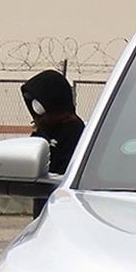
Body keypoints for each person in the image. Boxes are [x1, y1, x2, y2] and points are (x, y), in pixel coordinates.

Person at [20, 69, 84, 217]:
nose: (36, 107)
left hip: (64, 208)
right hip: (42, 208)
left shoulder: (74, 131)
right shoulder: (43, 131)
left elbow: (64, 172)